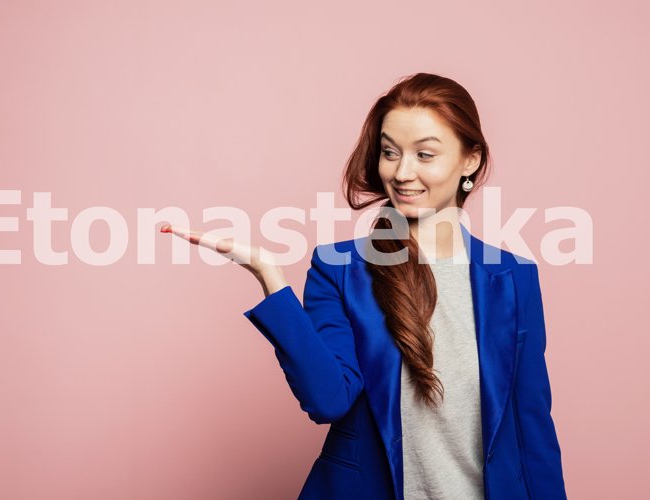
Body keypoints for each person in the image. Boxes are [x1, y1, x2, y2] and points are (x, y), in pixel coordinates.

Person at [159, 73, 567, 500]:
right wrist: (269, 276)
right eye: (390, 152)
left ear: (470, 160)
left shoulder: (513, 278)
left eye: (425, 154)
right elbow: (328, 400)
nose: (403, 172)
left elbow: (532, 427)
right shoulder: (340, 269)